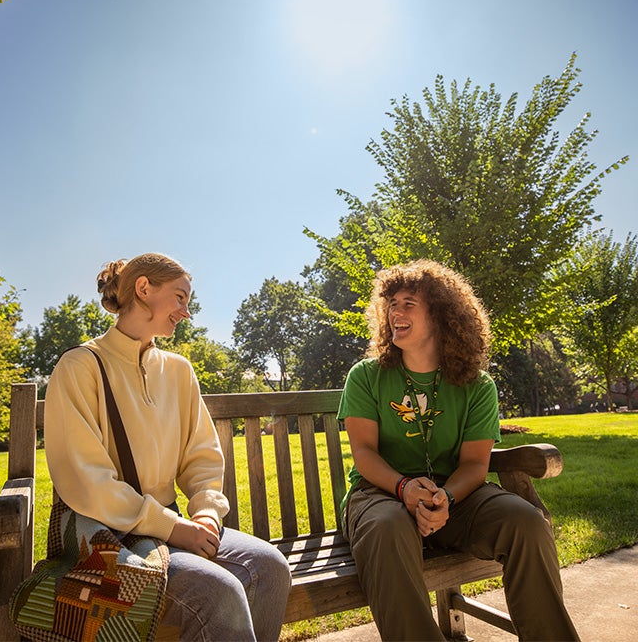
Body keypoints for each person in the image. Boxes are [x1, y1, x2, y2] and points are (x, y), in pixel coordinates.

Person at [46, 253, 292, 641]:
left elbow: (201, 455)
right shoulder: (80, 366)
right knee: (218, 591)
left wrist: (208, 512)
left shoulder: (178, 370)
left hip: (172, 527)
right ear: (143, 288)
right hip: (106, 539)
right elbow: (86, 480)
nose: (187, 312)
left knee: (270, 568)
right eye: (180, 298)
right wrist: (173, 527)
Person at [339, 260, 579, 641]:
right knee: (387, 528)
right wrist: (405, 490)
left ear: (441, 315)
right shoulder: (367, 376)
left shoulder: (477, 386)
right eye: (391, 303)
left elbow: (473, 464)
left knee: (527, 523)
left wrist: (445, 497)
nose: (395, 312)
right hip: (381, 493)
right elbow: (364, 454)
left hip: (456, 497)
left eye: (408, 304)